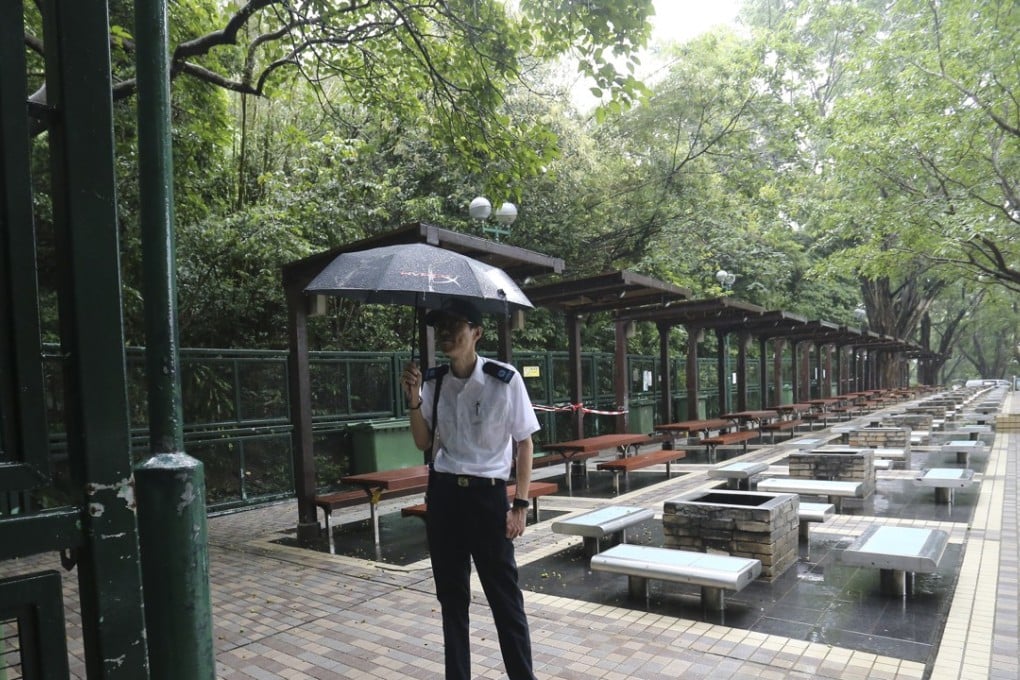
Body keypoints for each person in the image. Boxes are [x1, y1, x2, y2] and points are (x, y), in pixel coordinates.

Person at [400, 297, 540, 680]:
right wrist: (413, 399)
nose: (446, 334)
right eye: (440, 327)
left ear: (476, 333)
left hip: (487, 498)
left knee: (504, 599)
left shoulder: (504, 379)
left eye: (454, 326)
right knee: (452, 600)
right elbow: (422, 441)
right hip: (444, 496)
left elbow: (524, 442)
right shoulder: (434, 382)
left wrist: (521, 504)